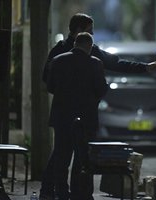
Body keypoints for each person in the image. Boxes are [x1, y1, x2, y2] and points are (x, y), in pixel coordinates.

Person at [40, 13, 156, 200]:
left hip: (63, 112)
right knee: (76, 157)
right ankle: (71, 194)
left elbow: (48, 82)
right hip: (84, 113)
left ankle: (57, 193)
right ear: (79, 30)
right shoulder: (89, 52)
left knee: (62, 155)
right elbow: (111, 73)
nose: (94, 33)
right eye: (90, 30)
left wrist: (144, 67)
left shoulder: (60, 53)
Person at [46, 32, 108, 200]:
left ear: (75, 44)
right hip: (86, 118)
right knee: (83, 159)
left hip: (62, 117)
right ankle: (79, 193)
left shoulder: (58, 60)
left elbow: (50, 87)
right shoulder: (95, 63)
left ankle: (61, 192)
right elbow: (101, 90)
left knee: (61, 156)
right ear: (89, 46)